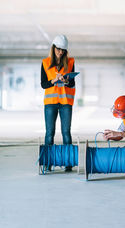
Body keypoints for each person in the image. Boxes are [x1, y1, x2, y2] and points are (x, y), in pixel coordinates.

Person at [41, 34, 76, 171]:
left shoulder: (71, 62)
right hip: (50, 103)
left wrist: (67, 81)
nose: (61, 52)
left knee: (66, 132)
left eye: (63, 50)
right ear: (53, 48)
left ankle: (68, 164)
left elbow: (72, 82)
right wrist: (53, 81)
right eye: (58, 49)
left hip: (66, 102)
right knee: (50, 133)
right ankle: (47, 163)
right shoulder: (45, 63)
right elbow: (43, 84)